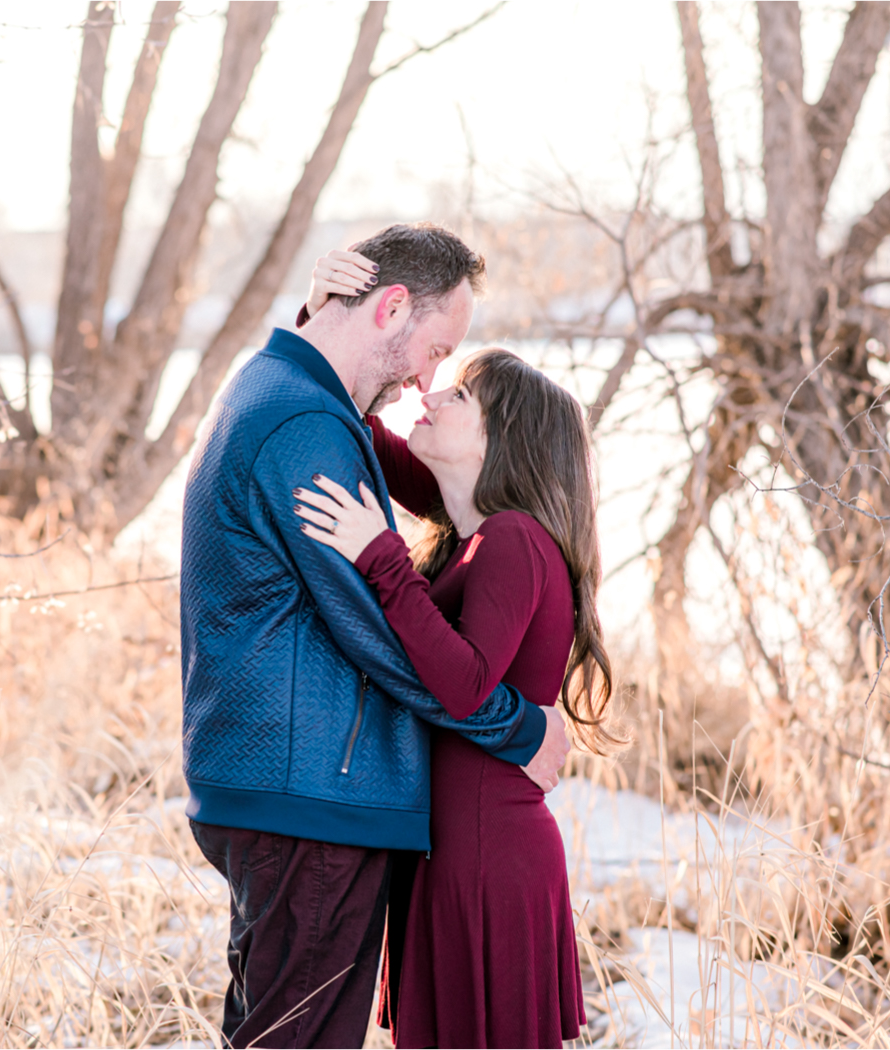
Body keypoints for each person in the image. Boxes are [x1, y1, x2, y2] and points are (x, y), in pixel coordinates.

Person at [179, 223, 572, 1049]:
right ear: (392, 306)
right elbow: (380, 634)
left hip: (295, 789)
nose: (430, 380)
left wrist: (317, 316)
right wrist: (521, 728)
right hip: (313, 797)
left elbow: (449, 492)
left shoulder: (288, 395)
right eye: (437, 349)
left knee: (271, 1032)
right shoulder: (307, 427)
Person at [292, 247, 621, 1048]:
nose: (432, 392)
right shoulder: (471, 533)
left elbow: (466, 684)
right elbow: (356, 421)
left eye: (461, 392)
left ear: (499, 437)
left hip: (488, 857)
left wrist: (381, 558)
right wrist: (317, 319)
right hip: (456, 847)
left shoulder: (513, 540)